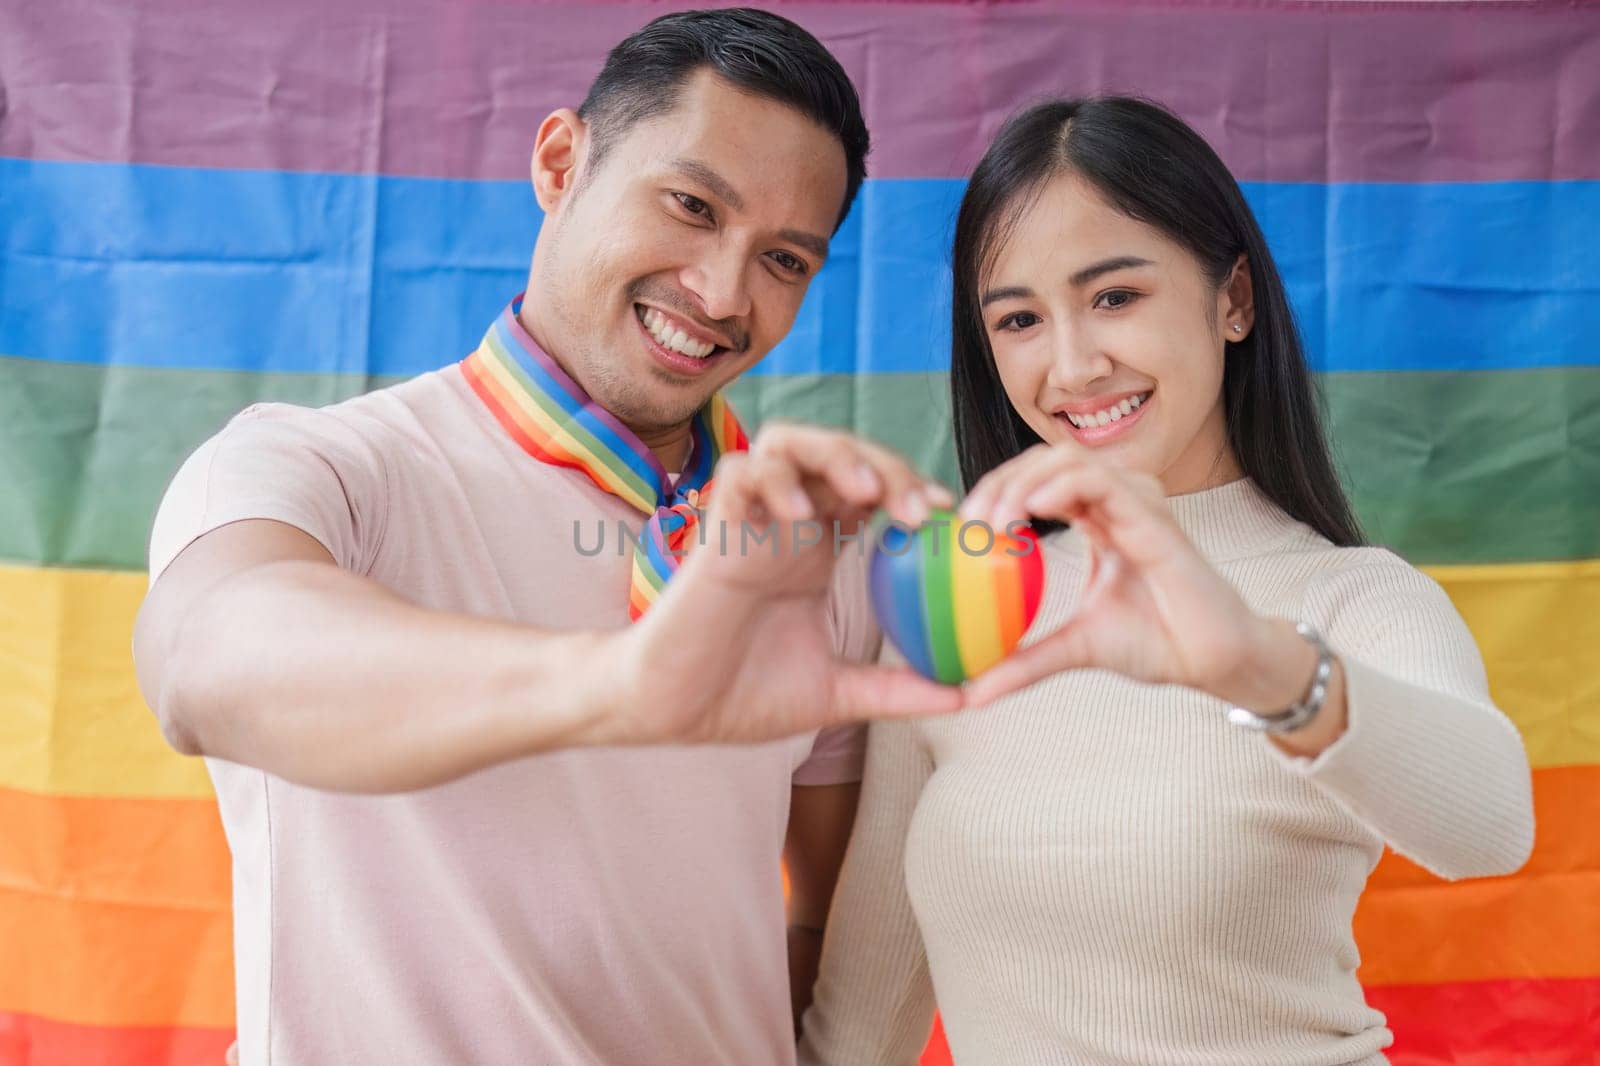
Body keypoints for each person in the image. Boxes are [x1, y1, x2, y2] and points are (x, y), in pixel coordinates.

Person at [132, 10, 965, 1065]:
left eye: (784, 260)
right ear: (562, 162)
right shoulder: (324, 468)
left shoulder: (814, 551)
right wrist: (623, 685)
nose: (721, 294)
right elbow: (207, 661)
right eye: (691, 205)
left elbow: (822, 919)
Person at [797, 96, 1535, 1065]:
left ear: (1231, 300)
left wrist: (1249, 663)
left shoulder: (1348, 598)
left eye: (1114, 297)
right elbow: (861, 1021)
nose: (1073, 364)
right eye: (1018, 318)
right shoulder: (953, 596)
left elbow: (1490, 827)